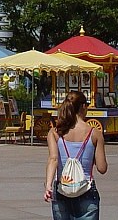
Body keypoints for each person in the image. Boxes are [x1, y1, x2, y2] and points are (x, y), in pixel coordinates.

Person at [44, 91, 107, 220]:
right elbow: (102, 168)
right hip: (86, 190)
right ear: (83, 106)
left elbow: (53, 159)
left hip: (62, 188)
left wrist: (49, 185)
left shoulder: (55, 132)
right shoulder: (94, 133)